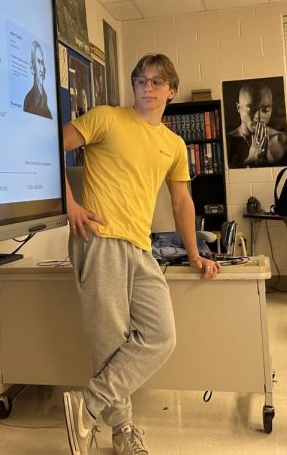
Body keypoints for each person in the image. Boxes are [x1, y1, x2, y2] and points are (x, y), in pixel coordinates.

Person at [62, 53, 219, 455]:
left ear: (171, 89)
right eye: (140, 81)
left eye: (155, 82)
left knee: (161, 336)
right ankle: (123, 433)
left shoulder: (173, 143)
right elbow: (48, 148)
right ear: (132, 86)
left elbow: (181, 201)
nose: (147, 88)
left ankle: (88, 404)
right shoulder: (106, 118)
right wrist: (69, 204)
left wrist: (193, 251)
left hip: (141, 245)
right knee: (110, 343)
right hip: (99, 238)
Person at [226, 82, 287, 167]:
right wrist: (250, 160)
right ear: (238, 108)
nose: (257, 117)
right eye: (249, 109)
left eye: (266, 109)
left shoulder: (281, 139)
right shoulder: (228, 141)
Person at [23, 40, 52, 118]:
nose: (42, 68)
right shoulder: (29, 99)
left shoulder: (45, 100)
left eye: (42, 62)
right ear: (32, 67)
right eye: (38, 62)